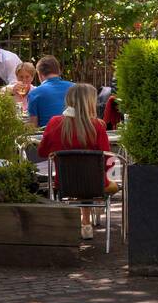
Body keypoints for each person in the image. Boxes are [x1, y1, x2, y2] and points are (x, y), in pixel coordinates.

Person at [37, 82, 117, 240]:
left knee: (79, 178)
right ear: (90, 102)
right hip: (95, 184)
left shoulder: (54, 123)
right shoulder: (97, 126)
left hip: (65, 183)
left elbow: (42, 152)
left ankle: (85, 221)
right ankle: (89, 216)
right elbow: (110, 160)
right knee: (100, 180)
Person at [26, 56, 73, 129]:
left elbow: (33, 125)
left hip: (49, 135)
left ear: (39, 74)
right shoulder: (75, 88)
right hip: (76, 135)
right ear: (59, 71)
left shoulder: (34, 93)